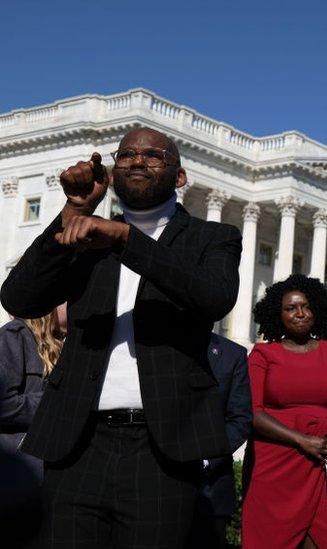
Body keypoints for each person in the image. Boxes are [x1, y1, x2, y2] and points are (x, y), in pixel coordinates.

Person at [0, 127, 242, 547]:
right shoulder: (88, 233)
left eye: (153, 155)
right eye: (126, 154)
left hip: (162, 447)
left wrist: (127, 239)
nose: (136, 160)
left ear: (180, 177)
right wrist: (73, 210)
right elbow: (19, 296)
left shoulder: (213, 238)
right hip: (77, 441)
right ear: (112, 172)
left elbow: (213, 297)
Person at [242, 274, 327, 549]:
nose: (300, 314)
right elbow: (253, 413)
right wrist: (302, 440)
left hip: (325, 463)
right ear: (277, 315)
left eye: (306, 306)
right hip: (277, 466)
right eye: (290, 308)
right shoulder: (263, 355)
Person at [187, 332, 252, 549]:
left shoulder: (233, 354)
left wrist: (205, 458)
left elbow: (240, 419)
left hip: (211, 483)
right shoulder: (155, 349)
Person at [0, 304, 66, 480]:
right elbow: (4, 404)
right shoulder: (14, 335)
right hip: (20, 476)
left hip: (53, 473)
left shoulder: (66, 344)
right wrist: (55, 402)